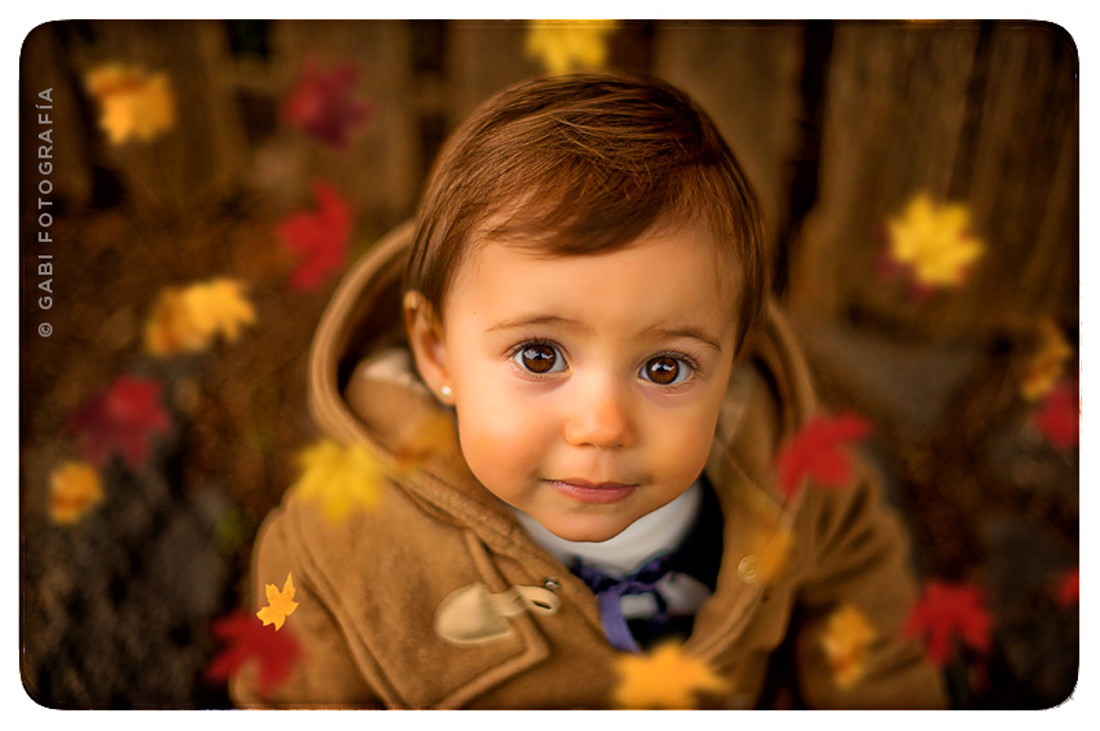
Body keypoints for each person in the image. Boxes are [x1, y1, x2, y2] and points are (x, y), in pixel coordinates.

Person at [231, 72, 948, 709]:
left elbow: (867, 625)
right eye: (540, 355)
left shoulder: (792, 477)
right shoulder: (337, 548)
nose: (603, 425)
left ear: (733, 361)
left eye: (665, 367)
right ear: (436, 349)